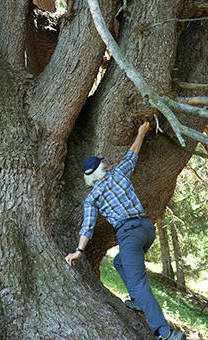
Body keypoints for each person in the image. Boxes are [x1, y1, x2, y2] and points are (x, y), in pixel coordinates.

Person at [65, 122, 186, 340]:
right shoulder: (119, 174)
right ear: (100, 170)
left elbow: (87, 228)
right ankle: (138, 301)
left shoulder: (92, 198)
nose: (106, 164)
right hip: (147, 230)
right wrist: (141, 132)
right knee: (119, 262)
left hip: (129, 235)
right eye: (103, 164)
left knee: (139, 283)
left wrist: (78, 251)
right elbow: (133, 153)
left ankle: (164, 332)